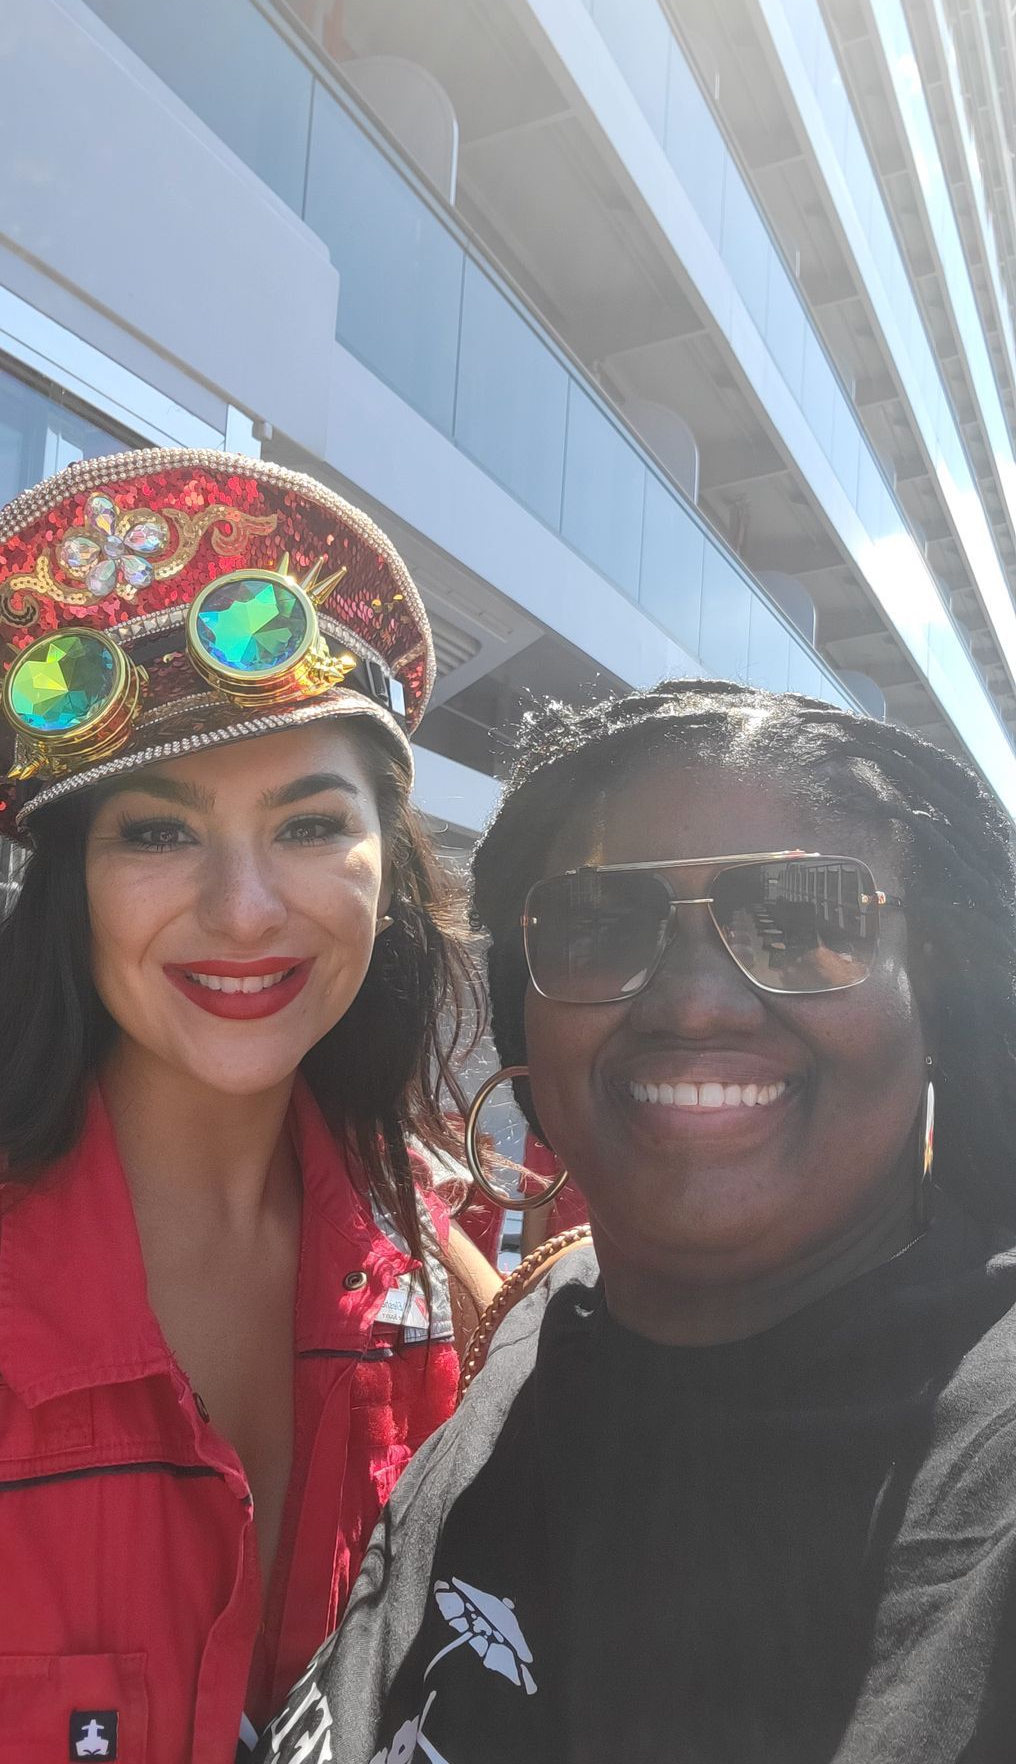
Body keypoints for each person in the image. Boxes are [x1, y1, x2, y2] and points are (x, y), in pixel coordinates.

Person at [258, 679, 1016, 1764]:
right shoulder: (537, 1334)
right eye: (601, 924)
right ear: (525, 1014)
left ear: (934, 993)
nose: (694, 1001)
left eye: (801, 920)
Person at [0, 448, 499, 1762]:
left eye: (308, 824)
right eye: (157, 833)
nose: (242, 911)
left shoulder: (444, 1282)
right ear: (73, 885)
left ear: (388, 870)